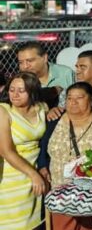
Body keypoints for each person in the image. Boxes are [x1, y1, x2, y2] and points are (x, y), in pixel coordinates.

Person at [38, 82, 92, 230]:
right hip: (60, 195)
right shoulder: (55, 120)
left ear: (91, 100)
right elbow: (43, 146)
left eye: (79, 97)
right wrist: (42, 166)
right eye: (69, 98)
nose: (73, 102)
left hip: (91, 197)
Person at [0, 72, 47, 230]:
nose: (15, 94)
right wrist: (33, 174)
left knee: (33, 222)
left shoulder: (42, 108)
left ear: (32, 91)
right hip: (11, 174)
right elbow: (5, 151)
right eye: (12, 89)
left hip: (34, 169)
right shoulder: (3, 111)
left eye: (21, 90)